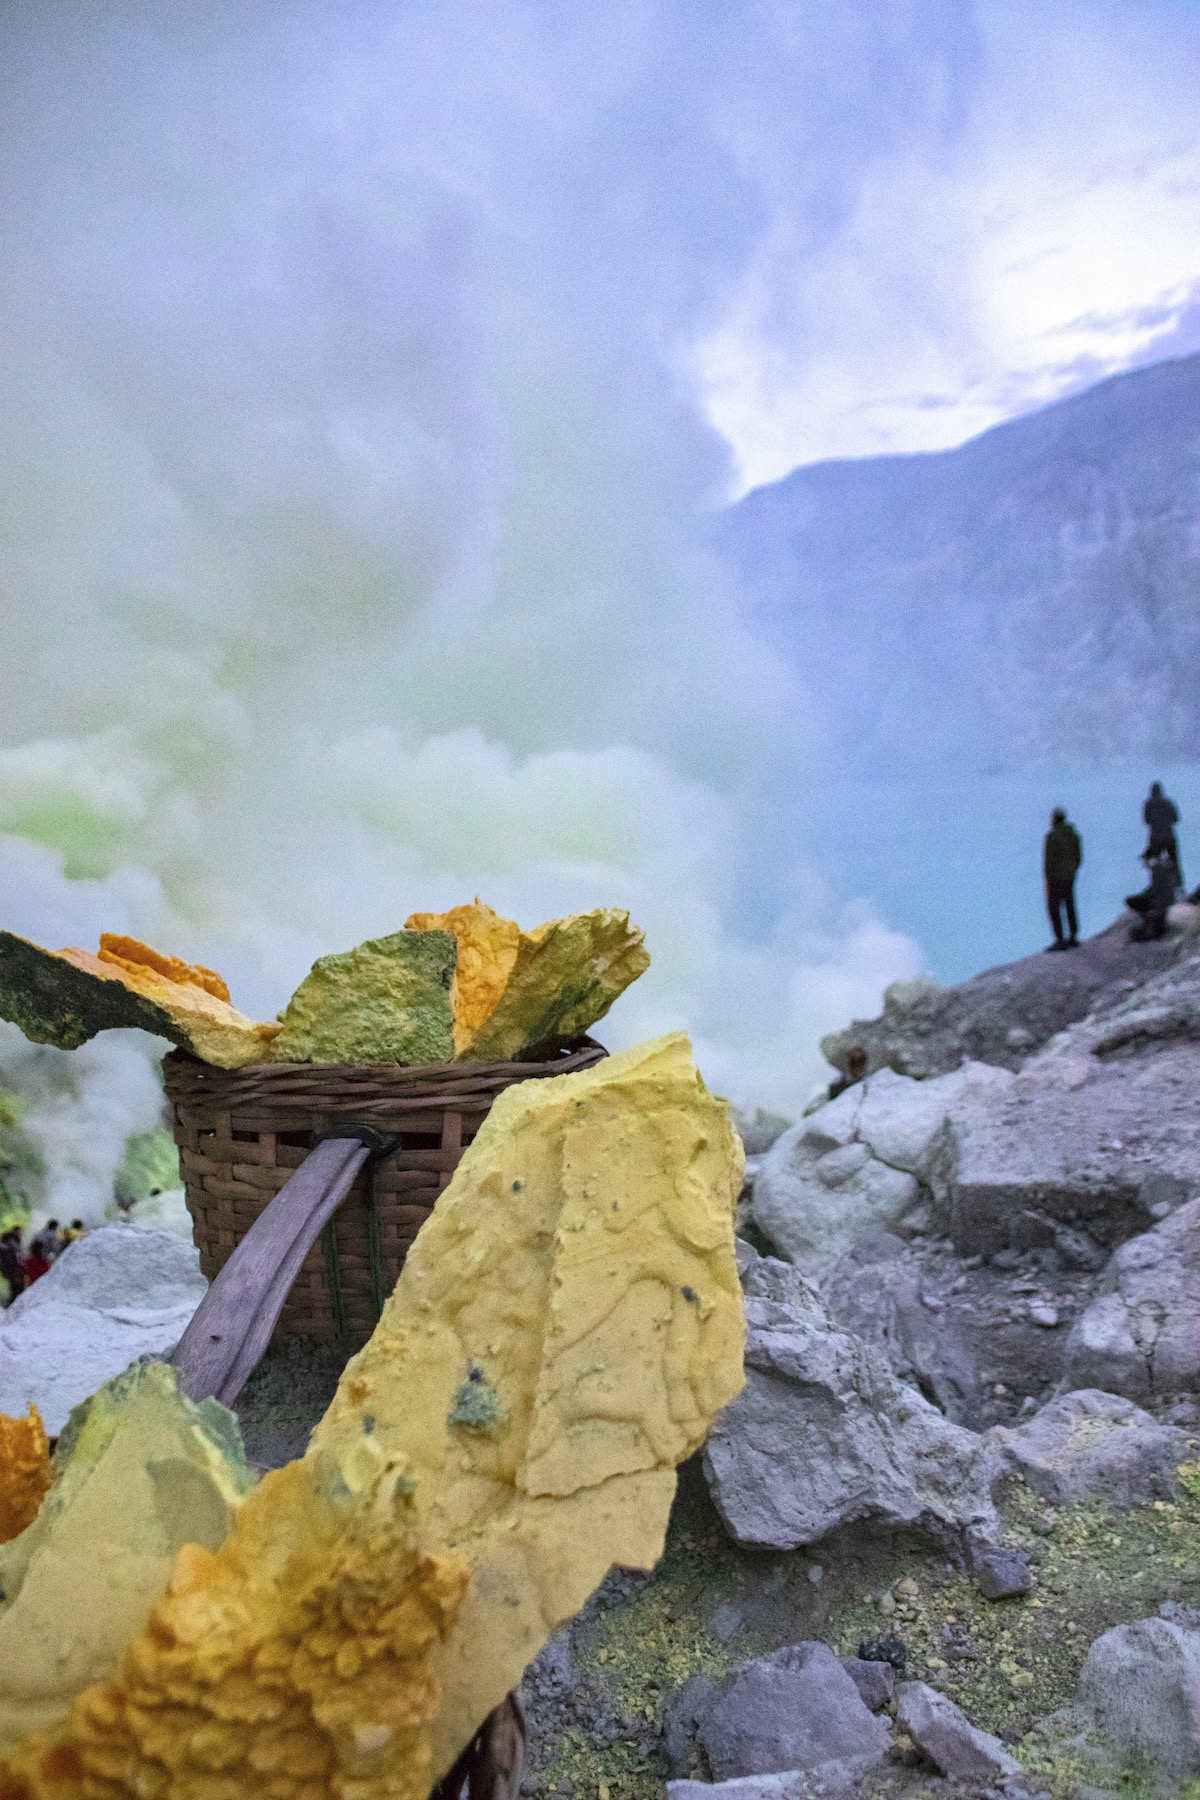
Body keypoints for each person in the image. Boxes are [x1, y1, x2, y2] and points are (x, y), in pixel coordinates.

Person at [1043, 807, 1082, 950]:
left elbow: (1049, 861)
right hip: (1069, 877)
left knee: (1054, 908)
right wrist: (1072, 871)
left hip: (1055, 879)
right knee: (1070, 905)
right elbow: (1078, 857)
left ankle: (1060, 939)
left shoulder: (1051, 837)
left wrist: (1048, 878)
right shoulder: (1074, 835)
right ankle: (1073, 936)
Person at [1126, 850, 1177, 942]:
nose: (1144, 863)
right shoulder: (1160, 868)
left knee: (1130, 901)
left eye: (1145, 860)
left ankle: (1146, 925)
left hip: (1161, 902)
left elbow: (1155, 889)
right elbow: (1153, 888)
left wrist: (1143, 897)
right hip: (1163, 900)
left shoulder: (1157, 869)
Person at [1143, 782, 1183, 890]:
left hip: (1155, 838)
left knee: (1155, 863)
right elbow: (1176, 819)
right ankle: (1179, 888)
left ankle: (1156, 888)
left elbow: (1146, 821)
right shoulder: (1168, 803)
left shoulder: (1148, 804)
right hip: (1169, 836)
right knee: (1174, 862)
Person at [0, 1228, 24, 1303]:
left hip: (10, 1269)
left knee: (15, 1286)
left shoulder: (6, 1247)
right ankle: (13, 1300)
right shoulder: (7, 1248)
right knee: (15, 1286)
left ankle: (13, 1300)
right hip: (11, 1269)